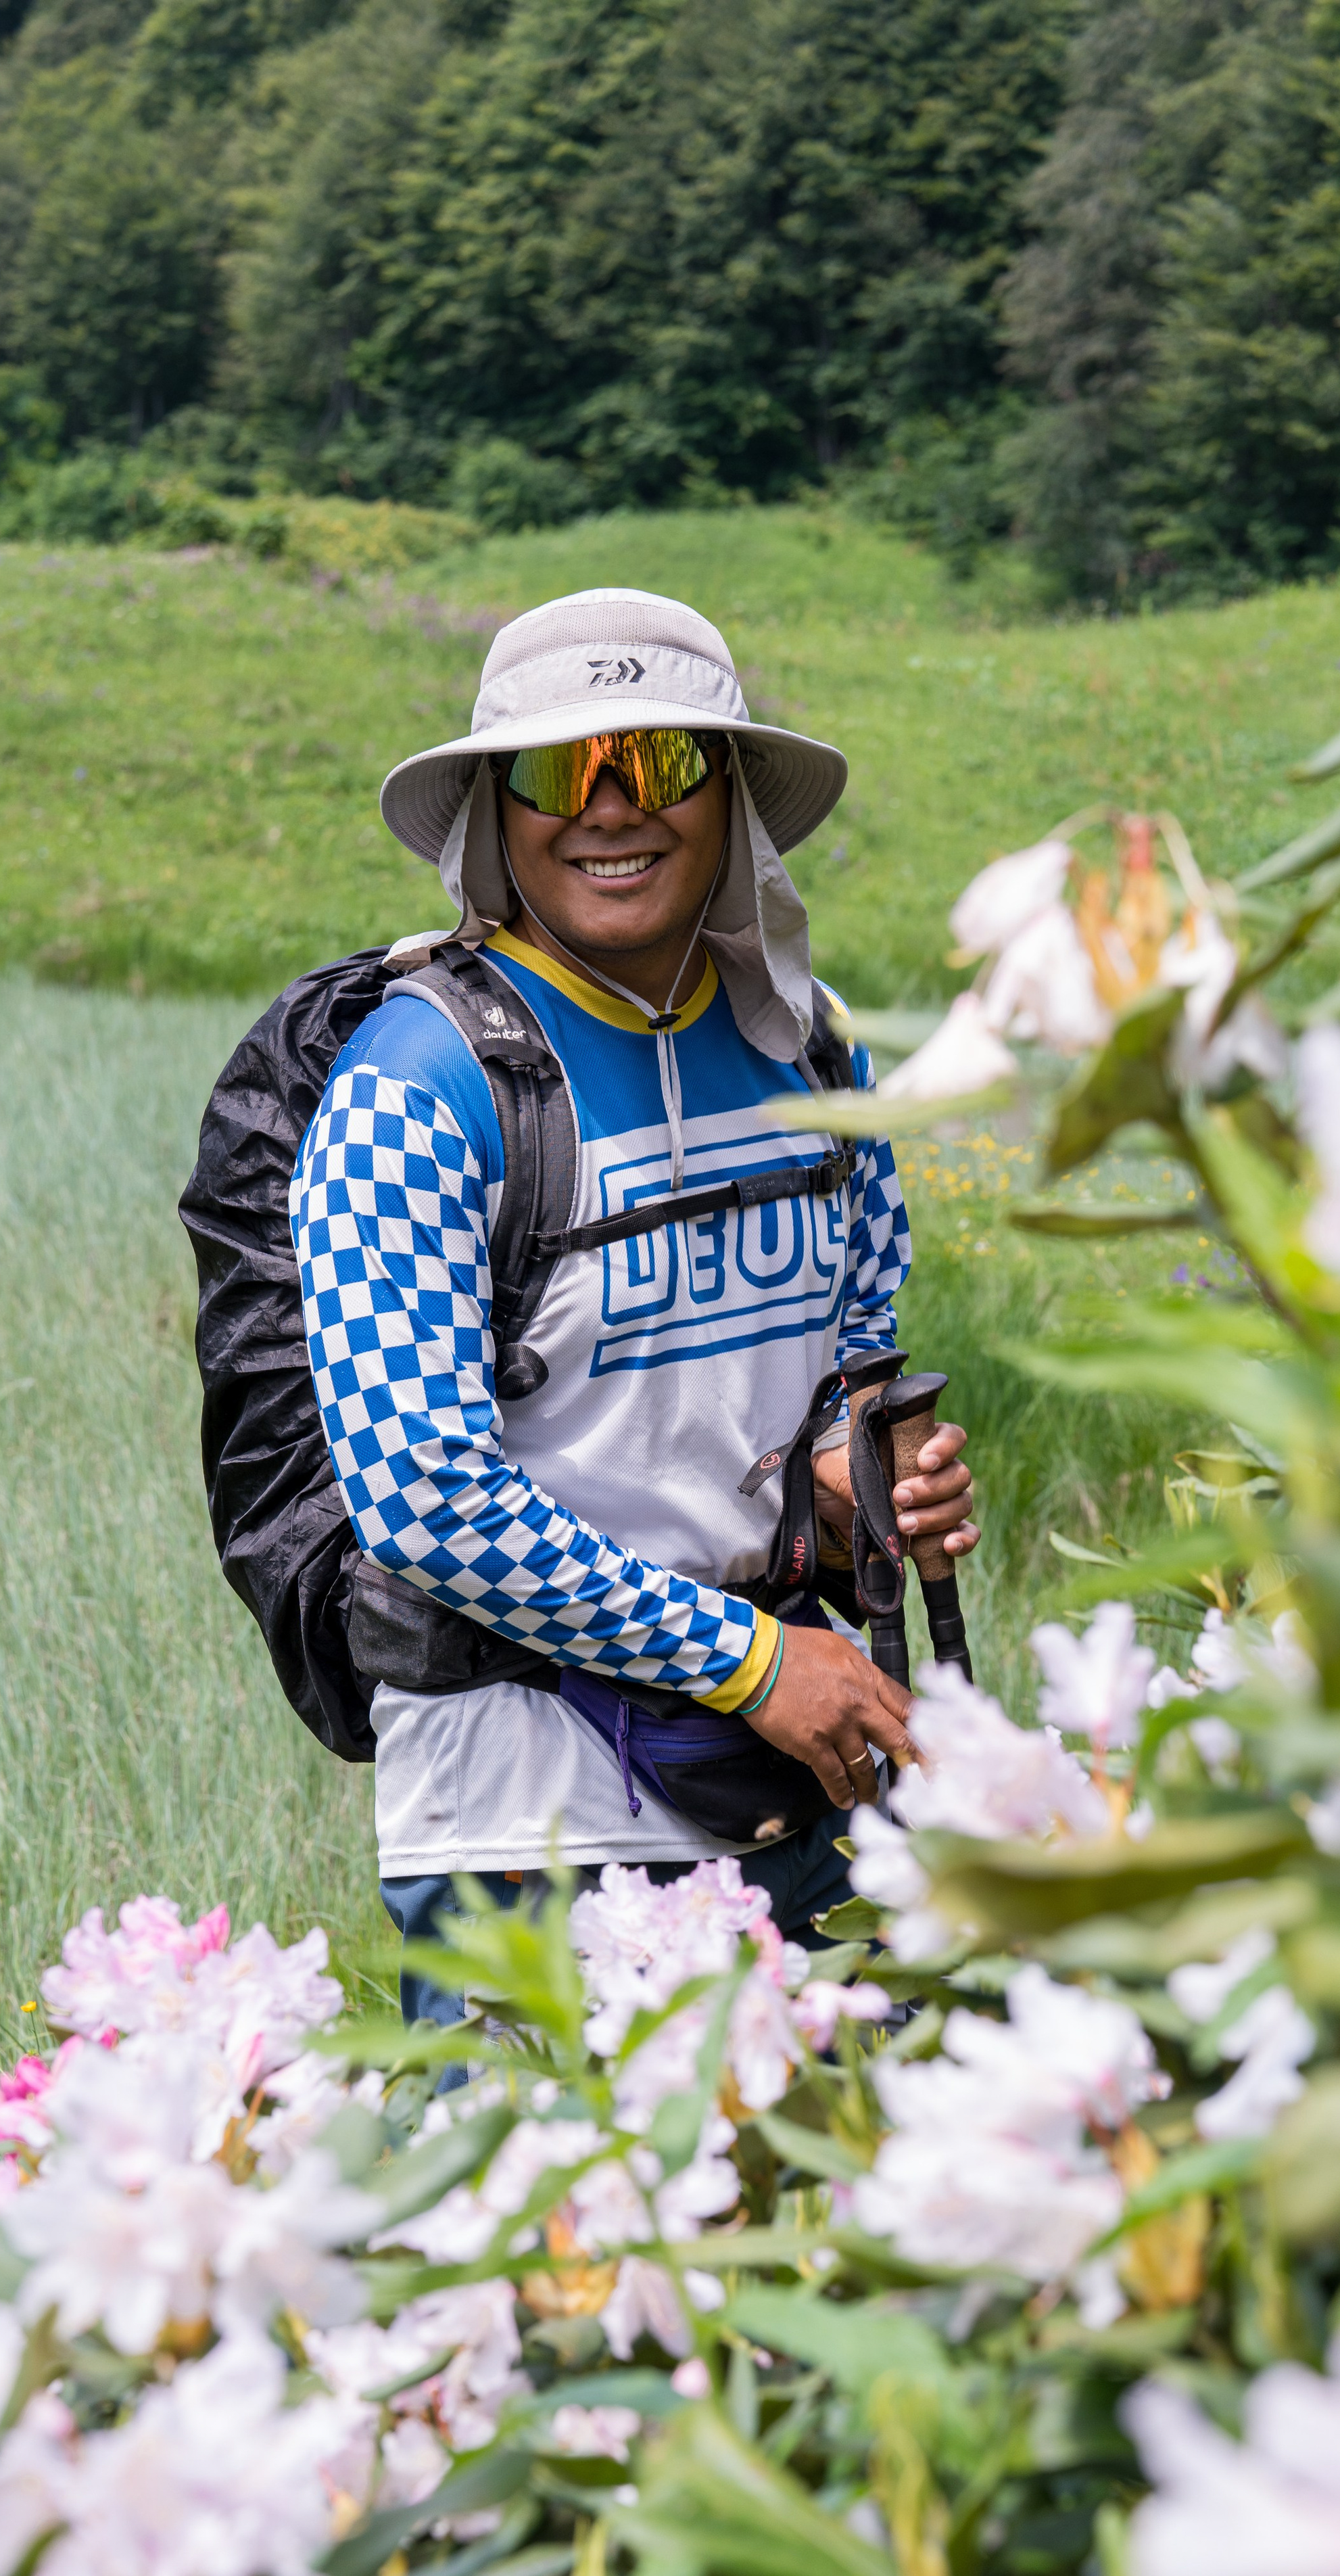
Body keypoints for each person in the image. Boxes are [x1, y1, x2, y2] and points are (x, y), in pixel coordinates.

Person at [288, 587, 978, 2021]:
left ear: (728, 797)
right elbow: (422, 1500)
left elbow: (852, 1359)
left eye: (658, 763)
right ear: (494, 811)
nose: (610, 810)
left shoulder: (811, 1048)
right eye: (559, 771)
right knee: (558, 2253)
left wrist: (863, 1474)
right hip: (523, 1840)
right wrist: (746, 1665)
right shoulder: (410, 1090)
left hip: (803, 1789)